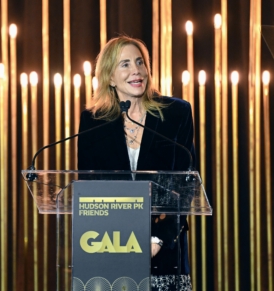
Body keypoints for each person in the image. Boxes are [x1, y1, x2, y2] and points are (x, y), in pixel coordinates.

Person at [78, 35, 195, 291]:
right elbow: (89, 191)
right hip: (110, 250)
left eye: (140, 62)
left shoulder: (176, 113)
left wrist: (157, 239)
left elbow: (186, 186)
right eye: (126, 64)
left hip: (165, 253)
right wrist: (117, 242)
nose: (136, 70)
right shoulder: (93, 122)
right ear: (109, 77)